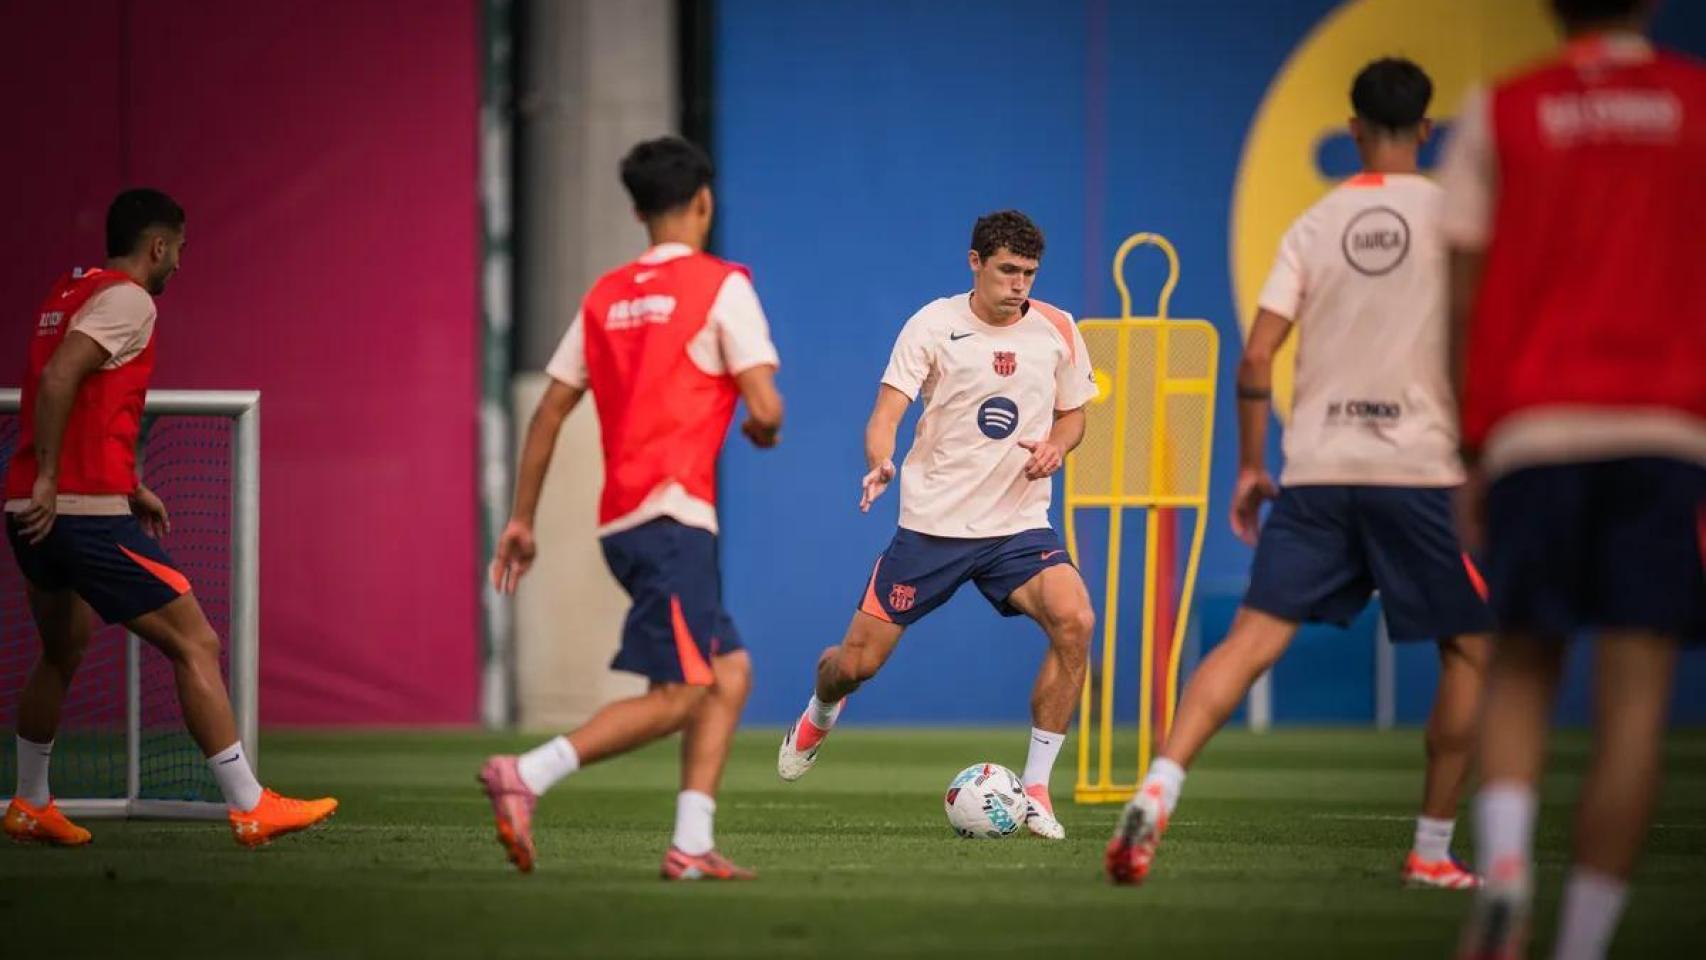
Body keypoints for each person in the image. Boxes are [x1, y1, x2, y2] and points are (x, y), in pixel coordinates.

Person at [1105, 59, 1492, 888]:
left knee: (1251, 641)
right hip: (1417, 470)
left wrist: (1251, 465)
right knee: (1471, 651)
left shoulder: (1314, 225)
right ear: (1428, 132)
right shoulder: (1458, 219)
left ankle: (1157, 790)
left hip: (1316, 471)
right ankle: (1429, 851)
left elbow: (1255, 356)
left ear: (1353, 128)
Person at [1438, 2, 1706, 956]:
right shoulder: (1696, 102)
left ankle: (1505, 881)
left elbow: (1463, 290)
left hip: (1536, 431)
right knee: (1635, 705)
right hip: (1666, 431)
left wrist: (1471, 445)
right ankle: (1584, 944)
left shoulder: (1505, 108)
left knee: (1521, 667)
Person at [479, 137, 783, 881]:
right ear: (704, 202)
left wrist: (521, 520)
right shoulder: (722, 286)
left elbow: (549, 412)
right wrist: (762, 424)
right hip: (676, 516)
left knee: (729, 671)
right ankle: (529, 773)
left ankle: (690, 842)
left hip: (622, 521)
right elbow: (767, 406)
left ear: (638, 210)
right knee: (682, 693)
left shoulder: (605, 296)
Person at [3, 188, 337, 847]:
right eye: (179, 249)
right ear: (158, 245)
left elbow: (82, 397)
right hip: (76, 512)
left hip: (32, 511)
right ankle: (249, 805)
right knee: (196, 642)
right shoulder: (131, 300)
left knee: (61, 649)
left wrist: (128, 482)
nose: (180, 263)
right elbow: (62, 379)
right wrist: (52, 476)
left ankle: (30, 802)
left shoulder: (68, 292)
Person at [775, 210, 1098, 841]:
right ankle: (821, 707)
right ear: (975, 262)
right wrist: (880, 460)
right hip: (933, 529)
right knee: (855, 666)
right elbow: (884, 414)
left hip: (1018, 528)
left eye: (1029, 273)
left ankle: (1035, 789)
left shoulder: (1058, 328)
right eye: (1007, 270)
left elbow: (1073, 416)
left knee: (1076, 620)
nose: (1019, 284)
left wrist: (1059, 446)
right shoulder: (932, 325)